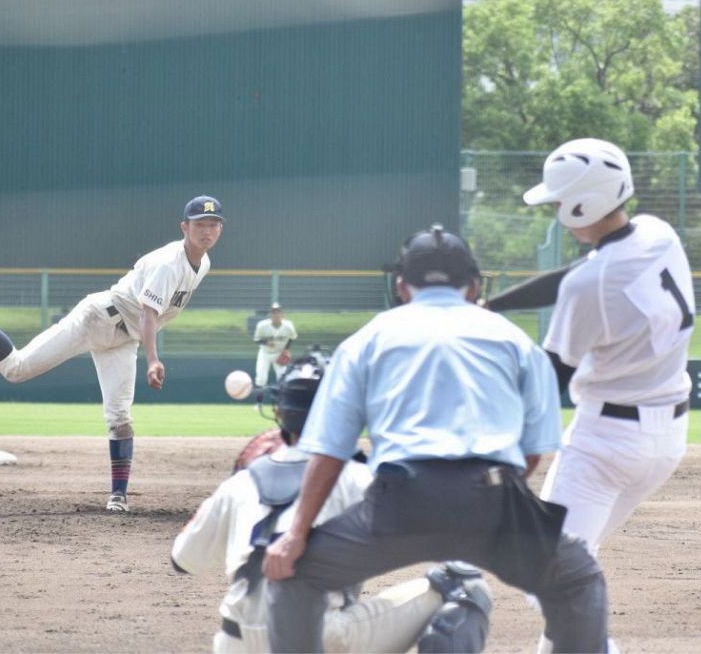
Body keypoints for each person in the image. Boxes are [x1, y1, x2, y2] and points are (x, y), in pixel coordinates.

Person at [262, 224, 608, 654]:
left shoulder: (368, 338)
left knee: (296, 573)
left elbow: (330, 451)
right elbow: (534, 451)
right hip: (493, 502)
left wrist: (296, 534)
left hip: (397, 505)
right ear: (474, 286)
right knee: (577, 578)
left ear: (402, 286)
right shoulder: (514, 340)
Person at [0, 195, 225, 512]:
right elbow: (148, 314)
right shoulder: (168, 264)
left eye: (213, 224)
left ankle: (118, 497)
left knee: (120, 419)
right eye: (200, 224)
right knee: (15, 369)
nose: (207, 230)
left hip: (123, 340)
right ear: (185, 227)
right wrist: (153, 359)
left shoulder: (204, 263)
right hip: (96, 318)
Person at [172, 363, 493, 654]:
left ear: (279, 413)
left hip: (235, 642)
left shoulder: (241, 483)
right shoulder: (354, 477)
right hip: (319, 639)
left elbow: (183, 560)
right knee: (466, 585)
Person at [485, 137, 695, 563]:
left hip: (607, 442)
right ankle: (572, 634)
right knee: (576, 559)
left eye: (559, 202)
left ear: (583, 204)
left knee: (548, 563)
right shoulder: (660, 235)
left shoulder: (591, 286)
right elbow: (579, 273)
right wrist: (492, 306)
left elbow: (550, 379)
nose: (556, 211)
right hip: (667, 438)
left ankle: (588, 635)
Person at [252, 302, 298, 387]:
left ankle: (280, 400)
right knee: (261, 379)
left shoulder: (288, 326)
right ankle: (258, 401)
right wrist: (266, 342)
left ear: (283, 314)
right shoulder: (262, 326)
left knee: (282, 378)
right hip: (264, 354)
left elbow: (293, 337)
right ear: (271, 314)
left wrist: (287, 349)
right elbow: (256, 339)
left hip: (279, 353)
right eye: (274, 312)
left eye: (278, 312)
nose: (276, 315)